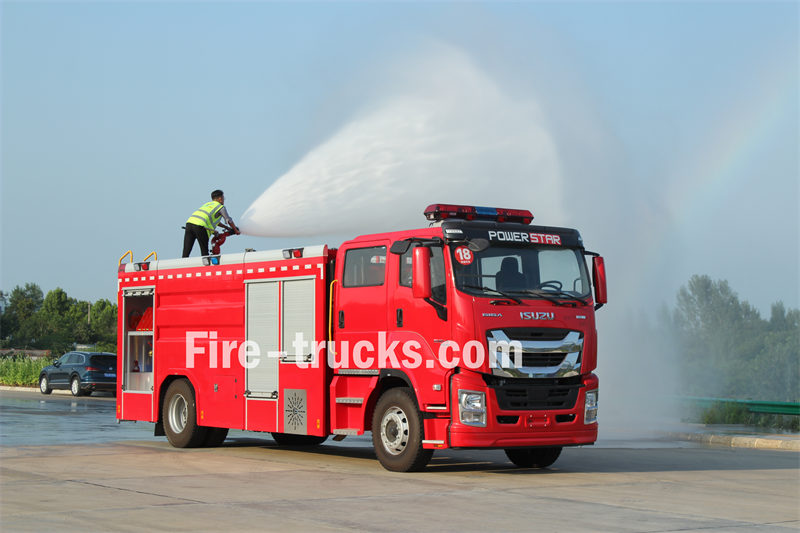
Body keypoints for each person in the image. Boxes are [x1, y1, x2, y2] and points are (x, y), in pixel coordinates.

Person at [182, 189, 241, 257]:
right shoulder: (220, 207)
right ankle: (206, 263)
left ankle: (182, 262)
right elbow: (229, 220)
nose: (224, 200)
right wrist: (235, 230)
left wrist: (226, 227)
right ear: (220, 198)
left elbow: (213, 221)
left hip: (189, 224)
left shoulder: (207, 204)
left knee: (186, 250)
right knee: (204, 252)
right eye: (223, 198)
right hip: (200, 227)